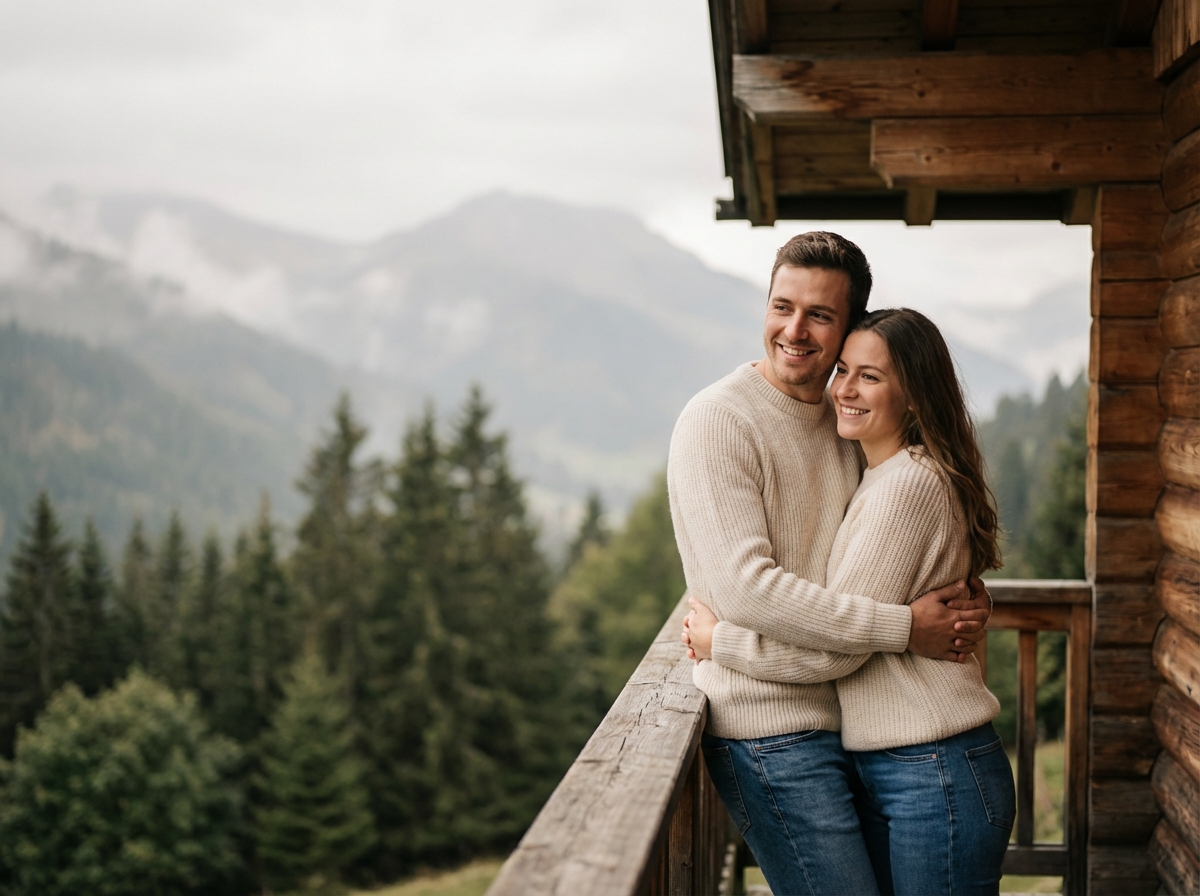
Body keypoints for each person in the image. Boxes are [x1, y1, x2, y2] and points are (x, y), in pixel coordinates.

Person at [666, 231, 992, 896]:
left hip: (851, 726)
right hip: (767, 728)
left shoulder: (844, 418)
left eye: (820, 315)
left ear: (847, 331)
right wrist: (906, 626)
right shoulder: (718, 419)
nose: (795, 330)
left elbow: (899, 539)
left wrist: (963, 593)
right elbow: (747, 589)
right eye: (782, 306)